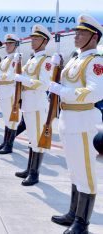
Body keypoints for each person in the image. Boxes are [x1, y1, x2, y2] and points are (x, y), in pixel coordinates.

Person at [49, 14, 103, 233]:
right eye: (77, 32)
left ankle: (82, 223)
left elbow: (95, 91)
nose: (77, 35)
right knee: (73, 169)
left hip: (83, 120)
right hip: (68, 119)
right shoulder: (76, 58)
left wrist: (62, 90)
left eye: (82, 33)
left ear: (94, 37)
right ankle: (73, 213)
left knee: (85, 171)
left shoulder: (96, 61)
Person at [13, 24, 52, 186]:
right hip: (28, 102)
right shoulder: (33, 58)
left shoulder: (45, 60)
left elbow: (44, 84)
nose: (32, 41)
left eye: (36, 39)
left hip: (37, 103)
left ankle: (35, 174)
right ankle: (29, 169)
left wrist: (23, 79)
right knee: (31, 138)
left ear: (44, 41)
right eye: (32, 38)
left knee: (37, 139)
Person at [0, 34, 21, 154]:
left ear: (15, 45)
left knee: (12, 119)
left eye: (11, 43)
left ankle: (9, 145)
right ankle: (5, 142)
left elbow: (10, 75)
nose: (8, 45)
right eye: (7, 43)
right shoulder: (5, 58)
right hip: (3, 91)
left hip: (10, 91)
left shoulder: (15, 58)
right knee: (6, 118)